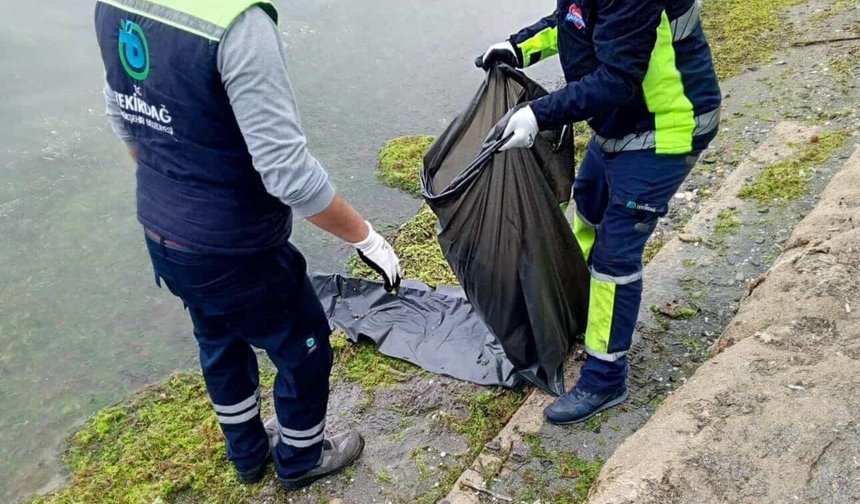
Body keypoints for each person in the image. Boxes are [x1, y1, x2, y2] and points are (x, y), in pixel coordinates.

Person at [94, 0, 402, 489]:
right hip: (235, 247)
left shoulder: (113, 5)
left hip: (162, 231)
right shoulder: (240, 24)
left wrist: (175, 192)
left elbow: (124, 119)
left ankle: (246, 454)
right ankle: (299, 460)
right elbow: (288, 174)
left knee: (219, 338)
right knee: (304, 347)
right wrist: (365, 236)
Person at [478, 0, 721, 424]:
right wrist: (517, 48)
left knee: (615, 254)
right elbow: (571, 22)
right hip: (620, 125)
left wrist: (538, 112)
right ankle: (582, 310)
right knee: (588, 207)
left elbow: (617, 79)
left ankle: (605, 377)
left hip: (667, 126)